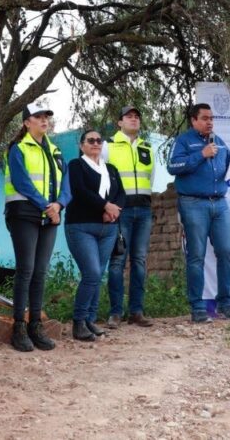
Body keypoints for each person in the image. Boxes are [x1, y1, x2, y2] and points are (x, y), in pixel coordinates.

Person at [4, 102, 72, 352]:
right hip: (24, 213)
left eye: (46, 116)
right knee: (26, 270)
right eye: (38, 116)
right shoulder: (18, 148)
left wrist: (60, 205)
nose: (44, 120)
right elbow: (21, 182)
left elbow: (67, 185)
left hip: (49, 216)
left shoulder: (55, 151)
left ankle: (36, 325)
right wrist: (47, 206)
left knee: (40, 271)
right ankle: (19, 326)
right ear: (26, 122)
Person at [167, 103, 230, 322]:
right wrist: (201, 154)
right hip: (193, 204)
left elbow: (227, 168)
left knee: (227, 252)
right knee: (196, 255)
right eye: (205, 118)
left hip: (219, 203)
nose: (210, 122)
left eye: (211, 118)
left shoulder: (219, 142)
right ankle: (197, 307)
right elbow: (173, 167)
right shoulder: (184, 141)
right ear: (194, 120)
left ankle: (225, 303)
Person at [65, 129, 123, 341]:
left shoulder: (111, 169)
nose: (96, 143)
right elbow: (80, 191)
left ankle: (90, 319)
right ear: (82, 145)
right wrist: (105, 206)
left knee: (98, 274)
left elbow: (121, 194)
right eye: (91, 140)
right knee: (92, 273)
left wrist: (114, 210)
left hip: (108, 229)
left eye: (99, 140)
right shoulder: (76, 165)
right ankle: (79, 322)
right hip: (81, 226)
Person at [106, 106, 155, 328]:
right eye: (129, 117)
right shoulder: (108, 145)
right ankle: (115, 312)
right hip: (121, 211)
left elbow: (150, 178)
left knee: (140, 261)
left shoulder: (147, 147)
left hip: (143, 210)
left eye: (137, 117)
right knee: (117, 260)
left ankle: (137, 311)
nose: (134, 119)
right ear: (119, 122)